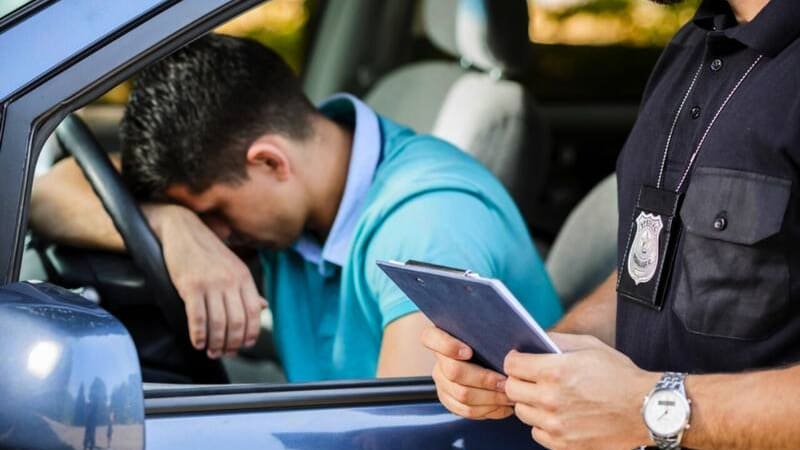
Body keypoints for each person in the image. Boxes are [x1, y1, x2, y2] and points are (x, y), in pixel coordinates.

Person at [30, 34, 562, 382]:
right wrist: (173, 226)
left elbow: (401, 435)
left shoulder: (427, 226)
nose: (215, 235)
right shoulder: (299, 193)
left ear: (270, 162)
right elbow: (48, 194)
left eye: (215, 212)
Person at [422, 0, 800, 448]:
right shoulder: (694, 45)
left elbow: (641, 404)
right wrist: (533, 362)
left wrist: (652, 407)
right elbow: (661, 270)